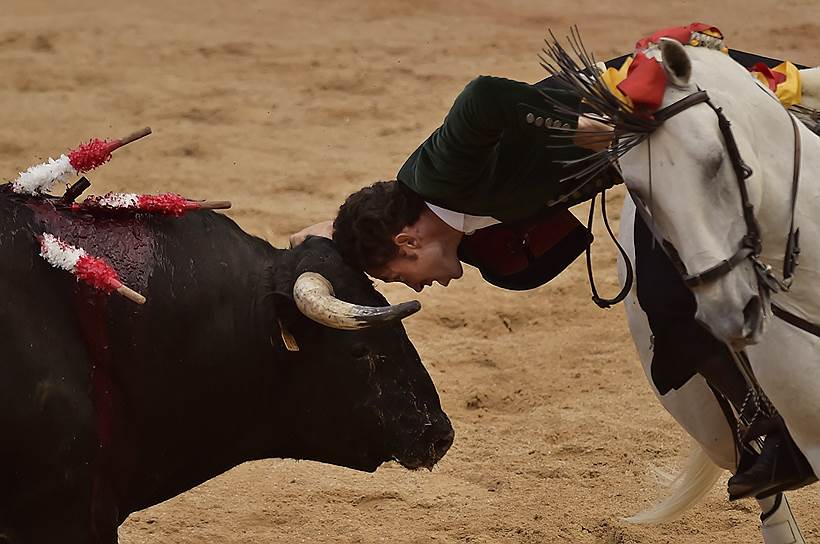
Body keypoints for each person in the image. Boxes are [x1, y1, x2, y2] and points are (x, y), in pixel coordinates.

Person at [290, 46, 817, 499]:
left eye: (403, 276)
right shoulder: (449, 230)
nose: (420, 285)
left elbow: (482, 96)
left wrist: (575, 125)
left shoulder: (437, 176)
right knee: (668, 305)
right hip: (660, 157)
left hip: (677, 98)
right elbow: (363, 222)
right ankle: (771, 433)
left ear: (407, 241)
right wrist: (325, 238)